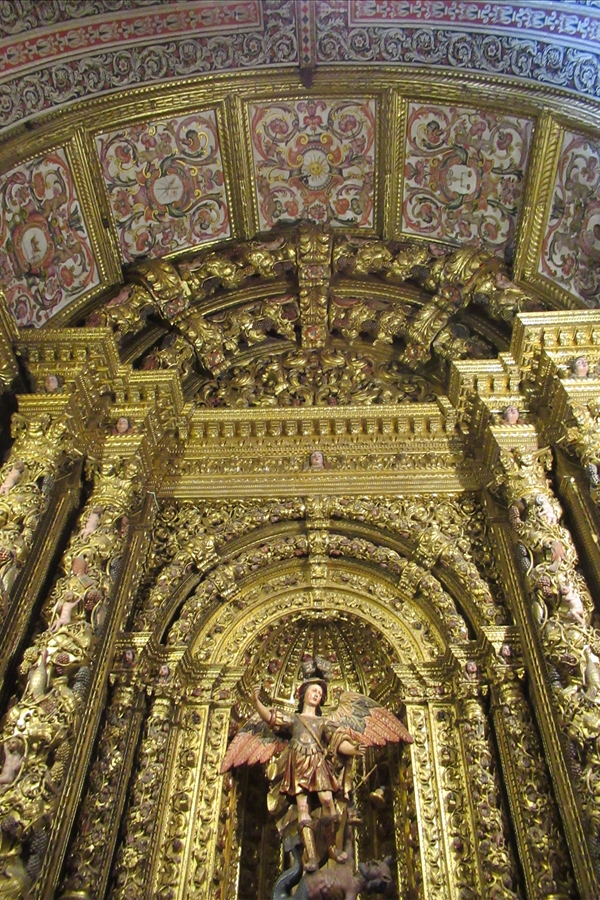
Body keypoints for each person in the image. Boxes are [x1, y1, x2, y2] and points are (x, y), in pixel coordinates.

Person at [253, 678, 362, 871]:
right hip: (298, 763)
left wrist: (352, 749)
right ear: (303, 695)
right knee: (302, 807)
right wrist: (256, 701)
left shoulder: (323, 722)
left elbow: (337, 740)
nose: (316, 695)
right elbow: (271, 718)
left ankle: (331, 847)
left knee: (328, 802)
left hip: (318, 763)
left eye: (319, 694)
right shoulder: (294, 719)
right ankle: (311, 856)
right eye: (313, 691)